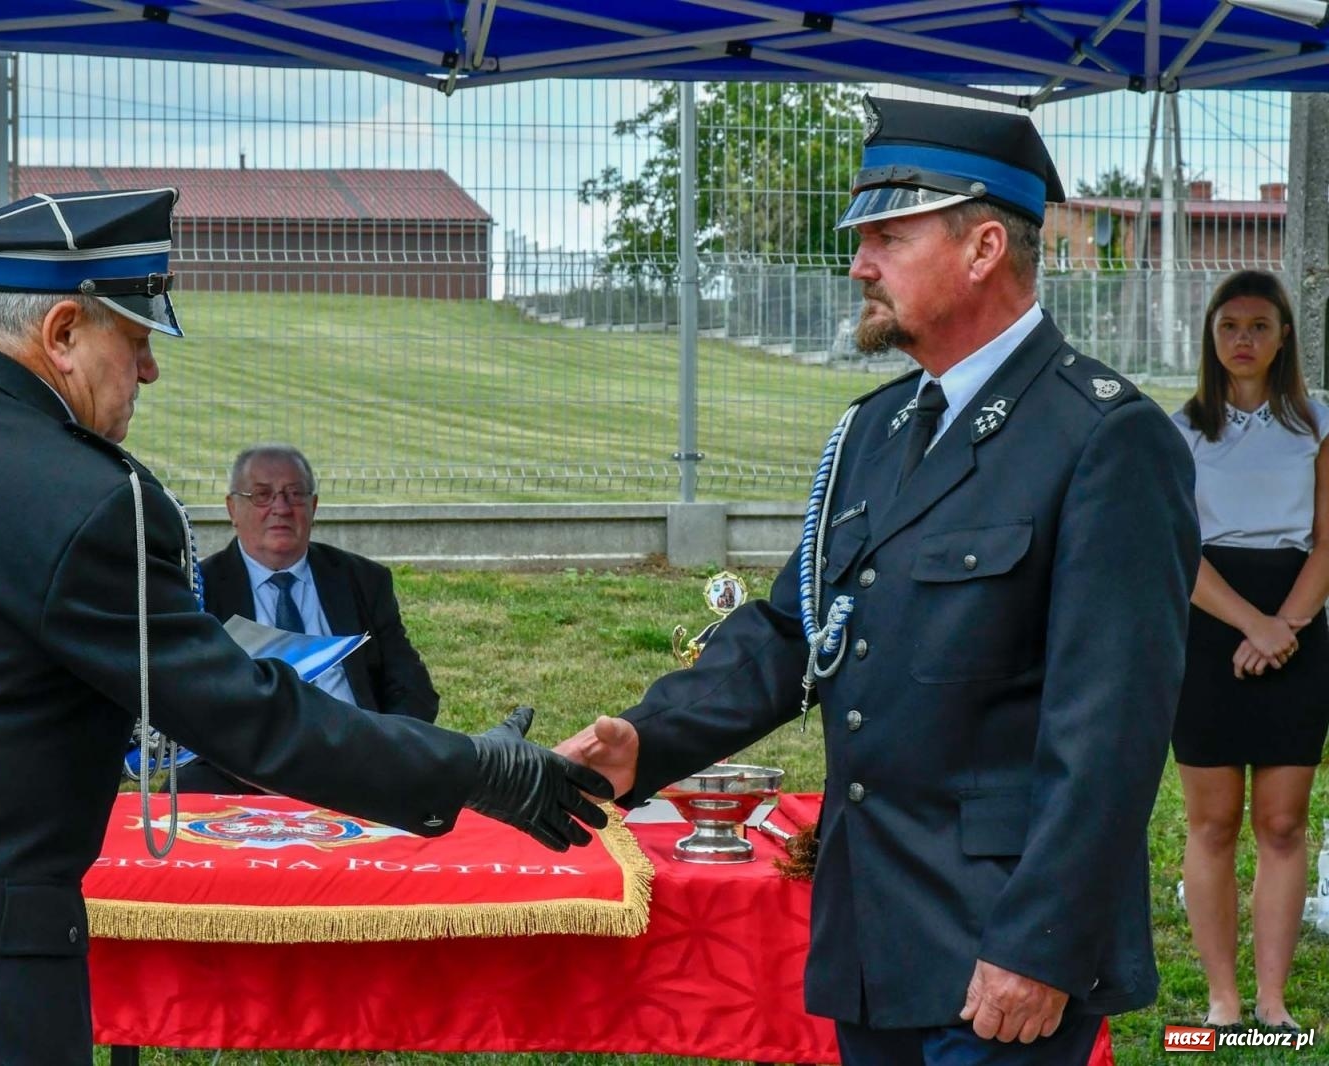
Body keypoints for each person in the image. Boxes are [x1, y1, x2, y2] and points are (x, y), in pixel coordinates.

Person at [0, 187, 611, 1066]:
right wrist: (478, 770)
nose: (148, 371)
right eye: (139, 340)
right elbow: (253, 719)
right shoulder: (87, 497)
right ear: (64, 332)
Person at [557, 96, 1200, 1065]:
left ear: (984, 247)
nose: (857, 263)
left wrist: (1040, 943)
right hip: (876, 937)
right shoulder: (876, 429)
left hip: (1000, 951)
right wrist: (646, 741)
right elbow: (790, 630)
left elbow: (1107, 733)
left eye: (886, 238)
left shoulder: (1105, 440)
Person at [1169, 269, 1329, 1034]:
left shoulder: (1318, 424)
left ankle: (1271, 1002)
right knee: (1213, 822)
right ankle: (1222, 1002)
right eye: (1229, 326)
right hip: (1207, 626)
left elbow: (1328, 544)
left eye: (1259, 326)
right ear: (1210, 335)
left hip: (1296, 620)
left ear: (1283, 336)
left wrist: (1283, 628)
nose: (1243, 340)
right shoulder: (1181, 430)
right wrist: (1250, 627)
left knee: (1283, 822)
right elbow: (1179, 549)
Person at [181, 442, 439, 793]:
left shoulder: (361, 580)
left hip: (359, 760)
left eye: (295, 494)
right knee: (189, 790)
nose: (281, 508)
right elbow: (189, 707)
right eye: (262, 495)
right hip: (248, 770)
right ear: (232, 508)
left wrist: (385, 751)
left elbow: (412, 686)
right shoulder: (199, 591)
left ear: (314, 507)